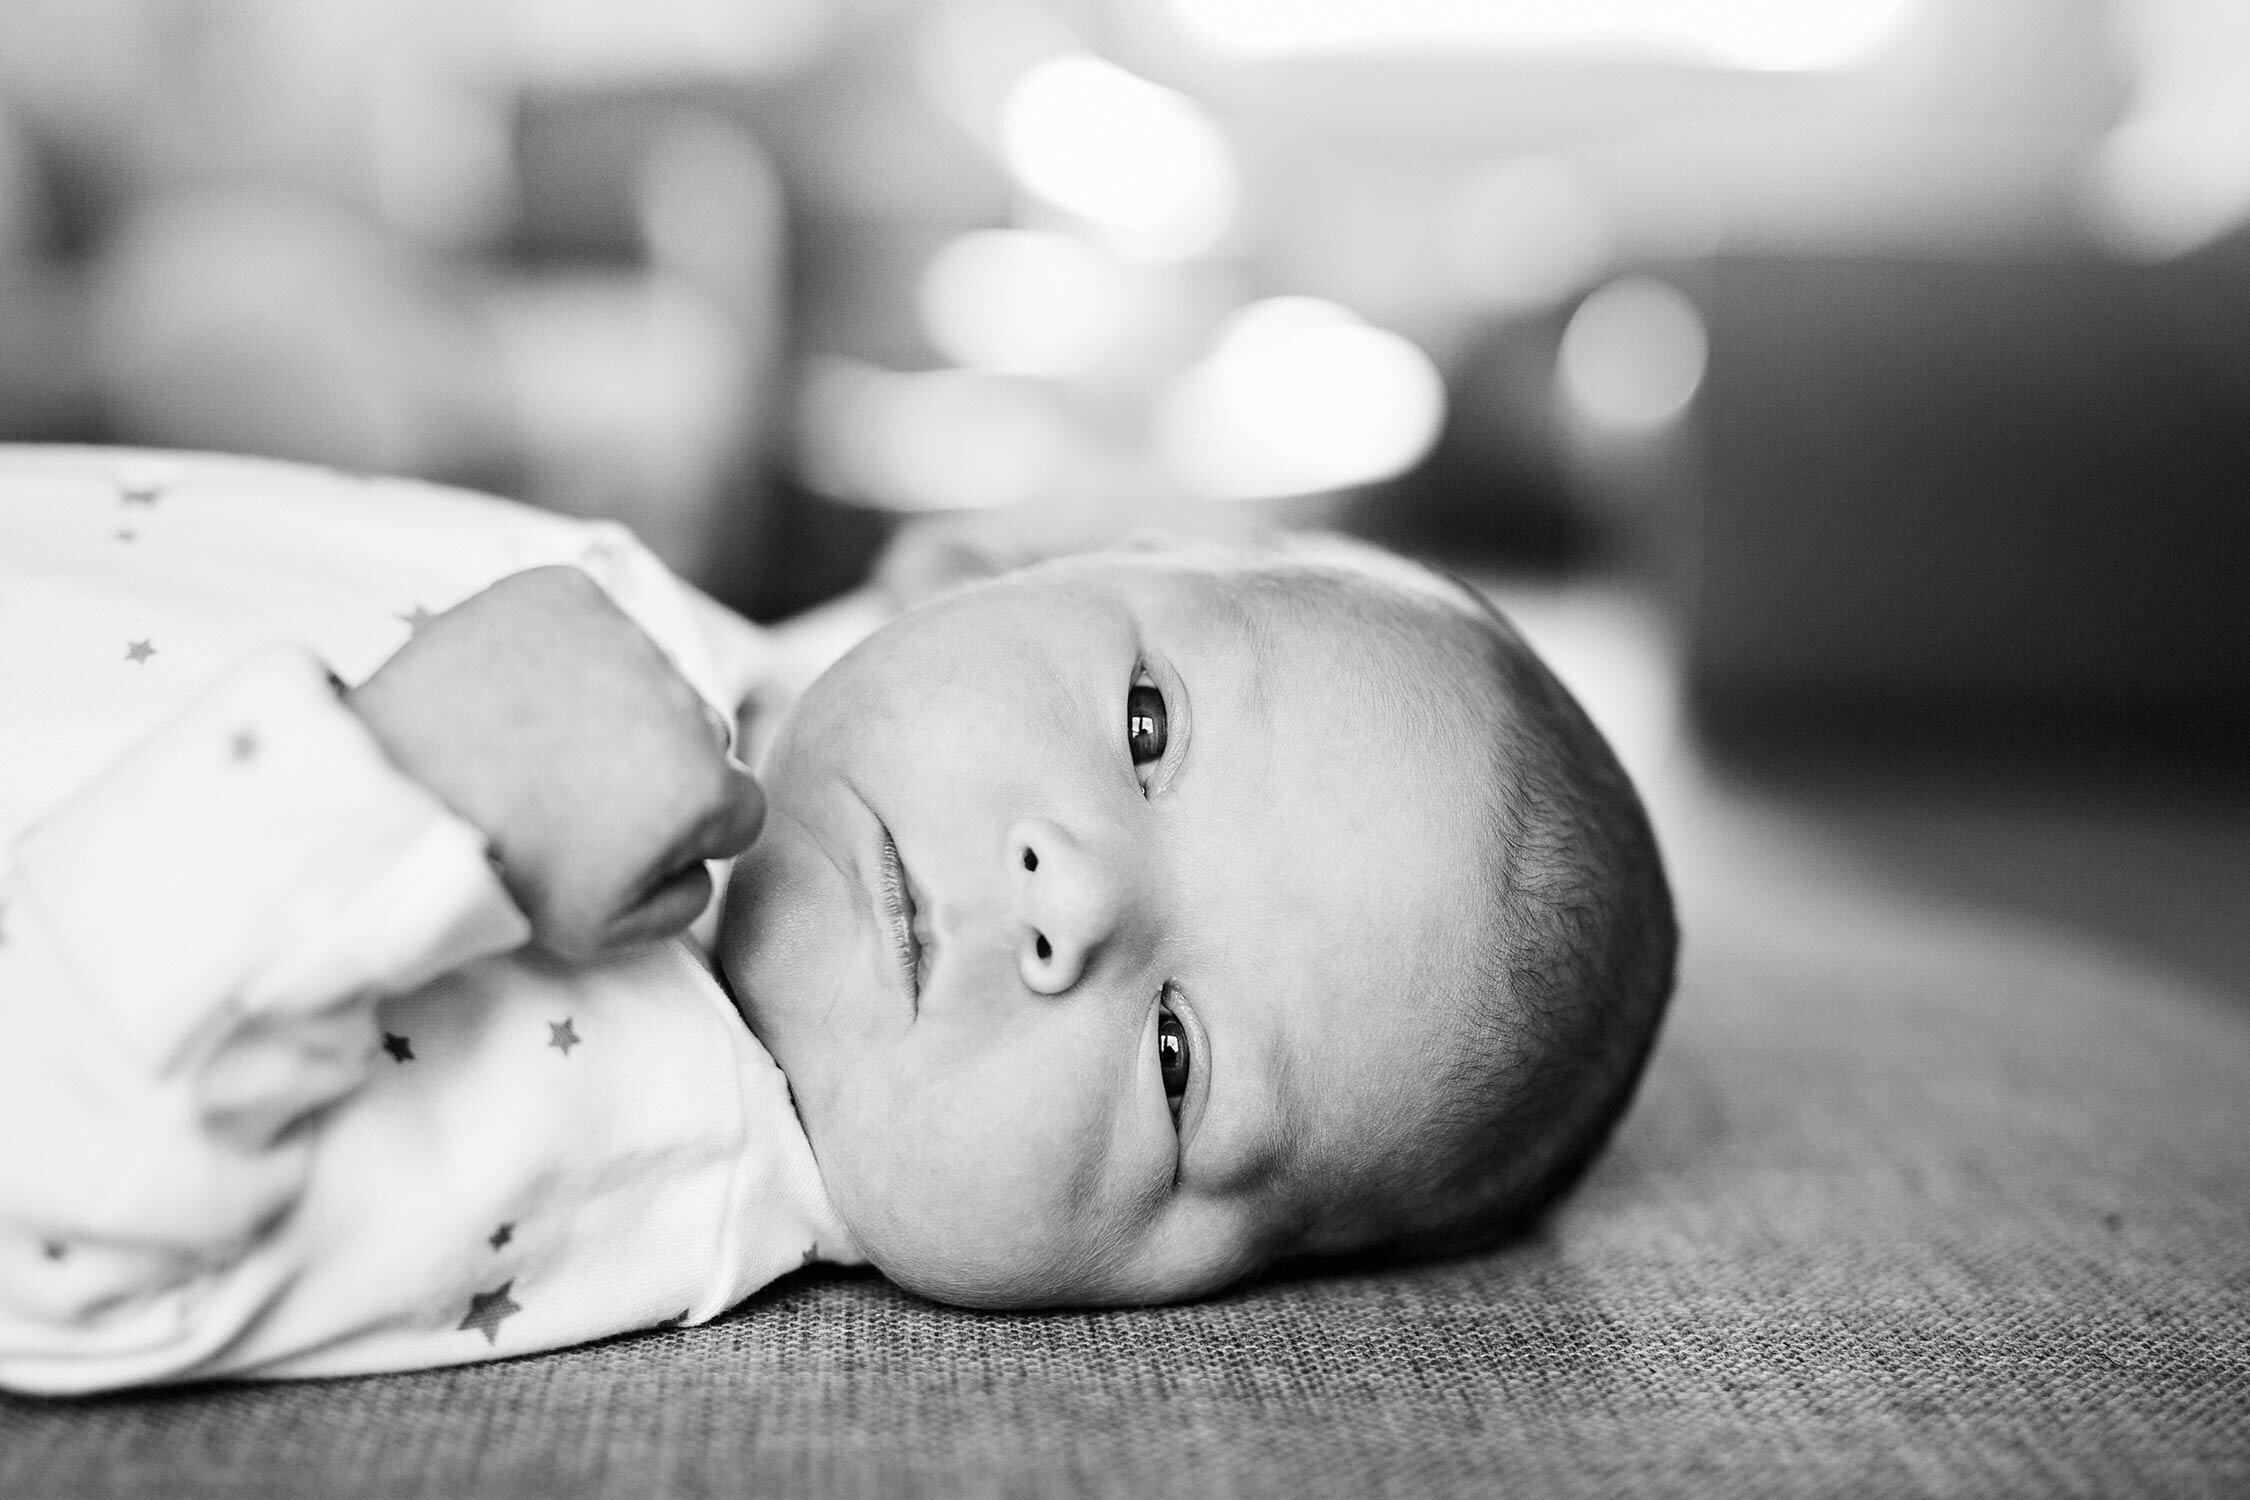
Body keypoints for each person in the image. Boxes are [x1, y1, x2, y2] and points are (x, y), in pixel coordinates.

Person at [0, 447, 1675, 1393]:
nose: (1070, 894)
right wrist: (882, 622)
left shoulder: (617, 1139)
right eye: (1148, 725)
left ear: (1171, 1296)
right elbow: (879, 726)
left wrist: (392, 791)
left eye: (1179, 1058)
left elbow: (57, 1228)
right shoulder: (787, 707)